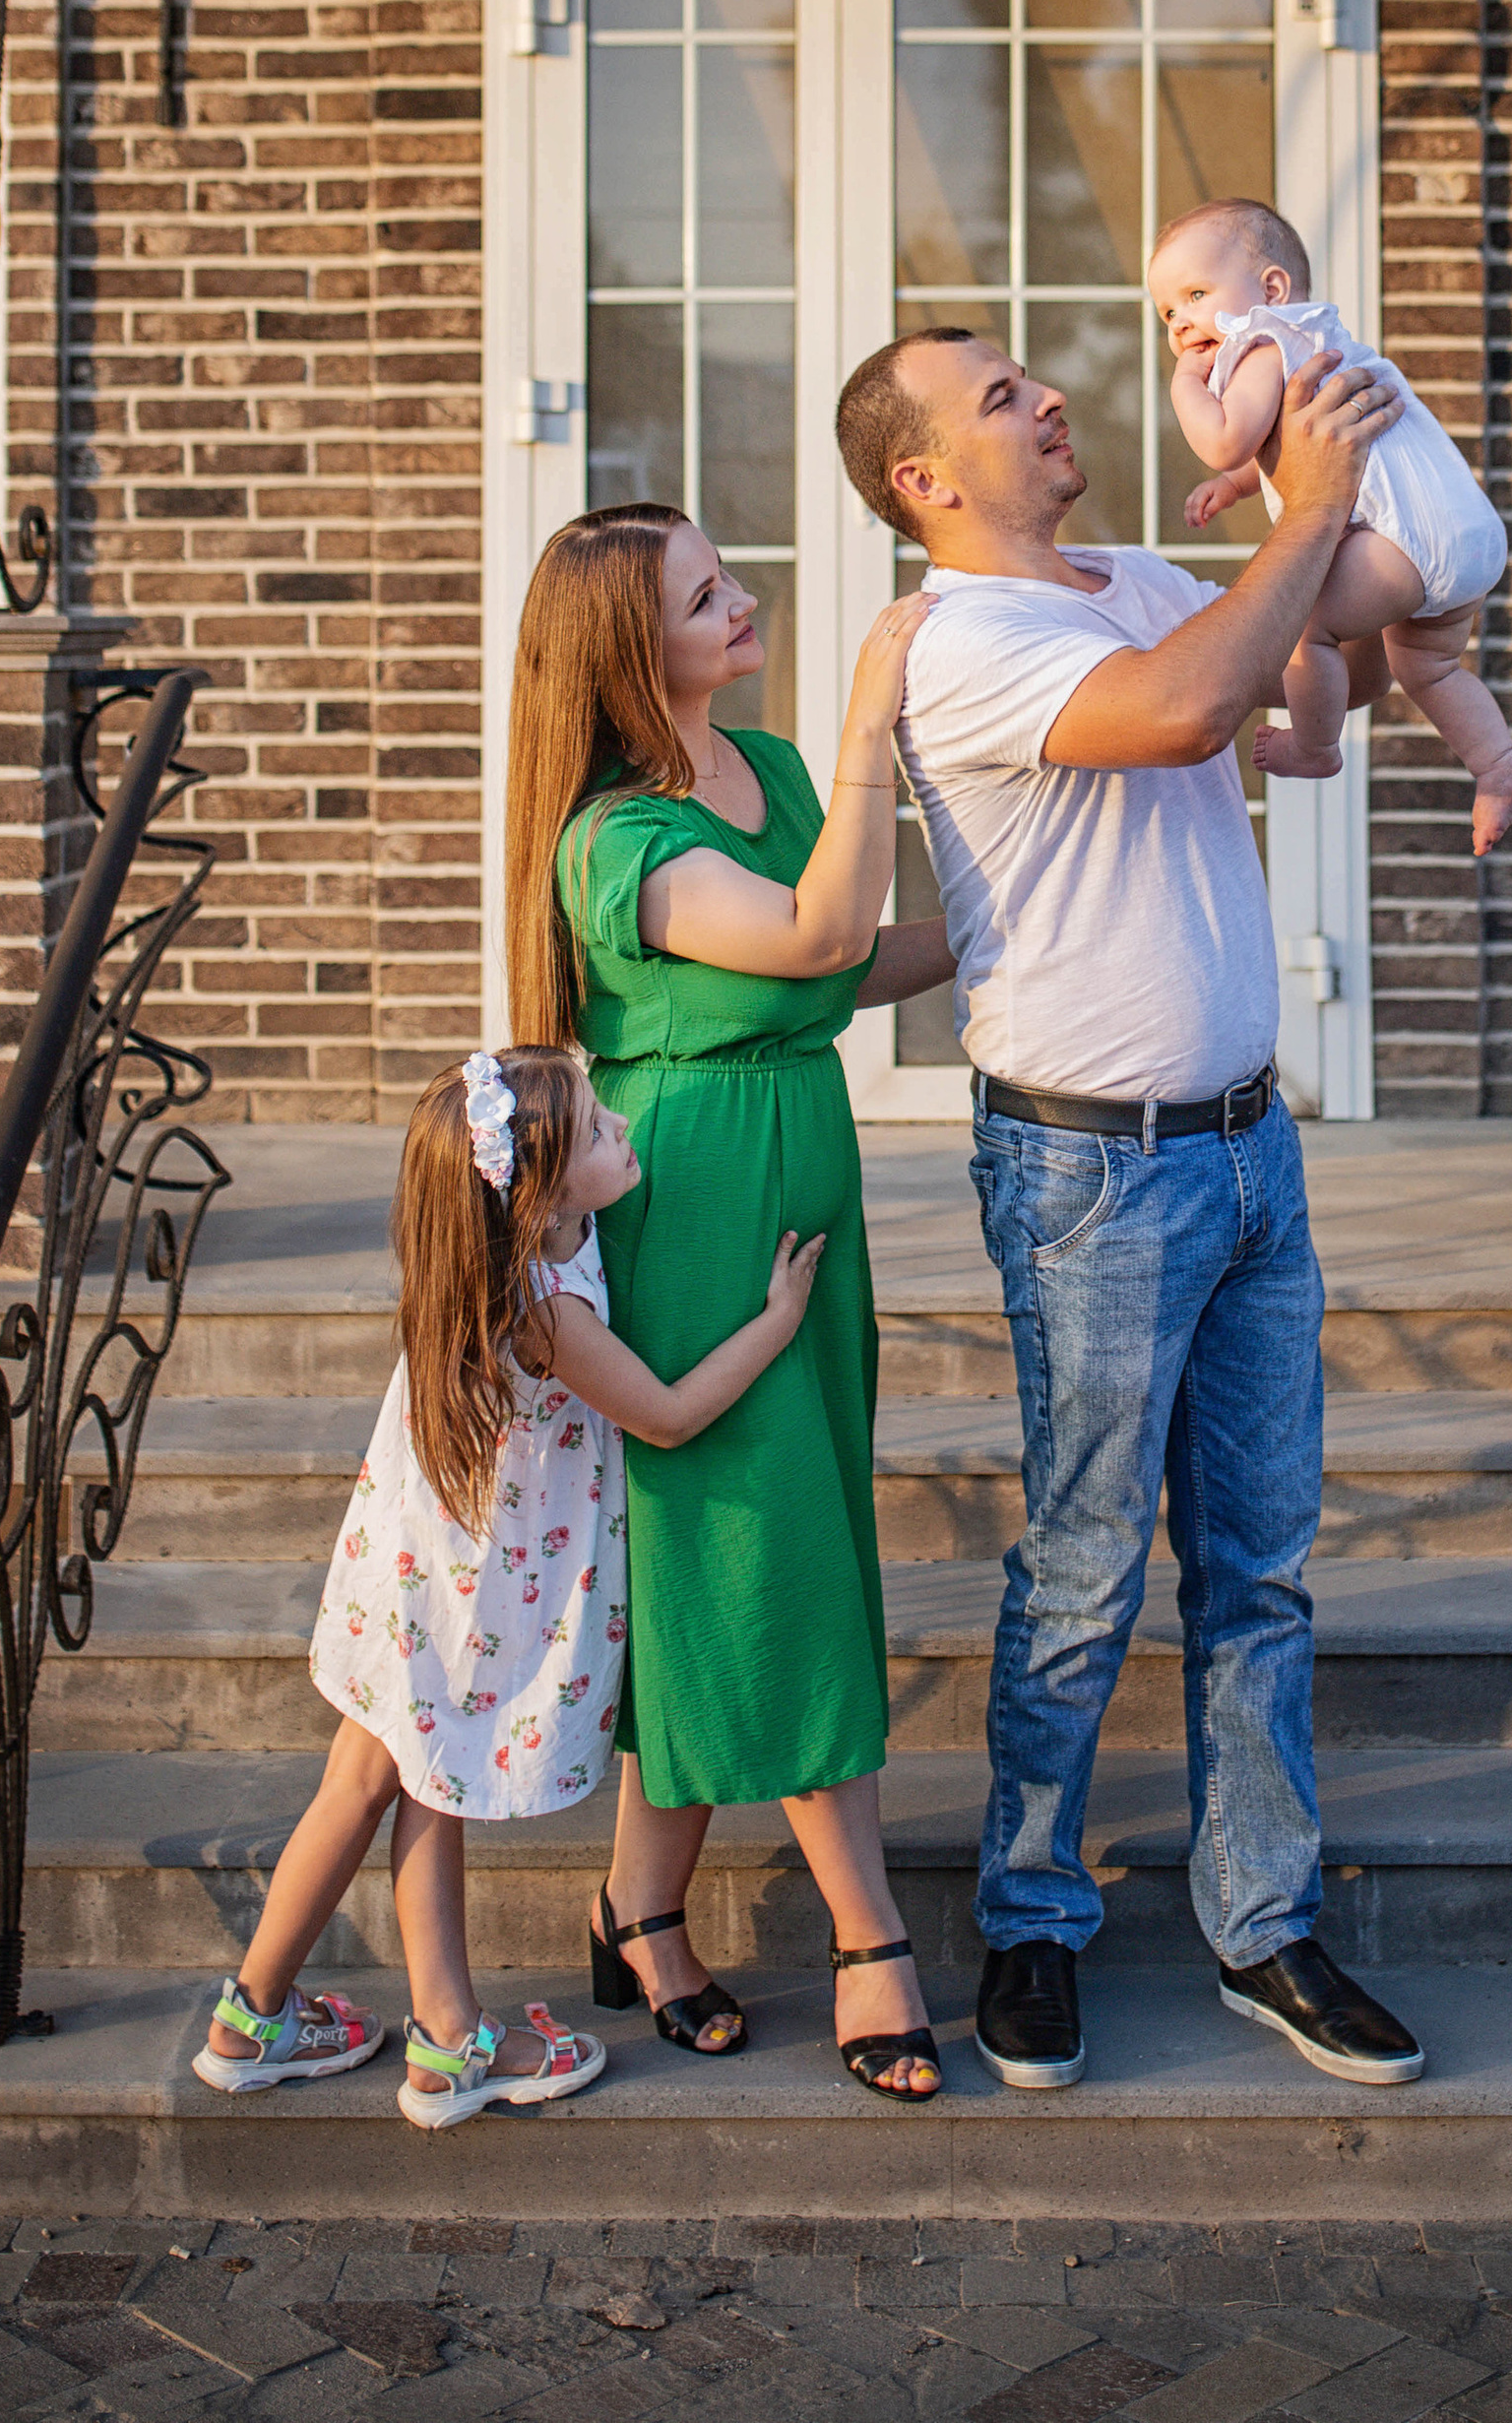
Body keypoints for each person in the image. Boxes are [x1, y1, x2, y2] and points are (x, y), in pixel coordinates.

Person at [836, 320, 1427, 2096]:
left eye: (1033, 374)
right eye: (998, 395)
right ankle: (1032, 1921)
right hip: (1090, 1170)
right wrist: (1301, 530)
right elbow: (1182, 706)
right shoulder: (956, 642)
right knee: (1086, 1572)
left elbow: (1304, 728)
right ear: (925, 479)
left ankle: (1266, 1927)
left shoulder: (1147, 573)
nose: (1046, 396)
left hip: (1256, 1150)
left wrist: (1312, 574)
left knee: (1260, 1567)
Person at [505, 503, 960, 2100]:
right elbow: (816, 924)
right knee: (771, 1549)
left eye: (729, 576)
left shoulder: (758, 775)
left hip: (802, 1180)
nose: (745, 598)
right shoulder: (613, 842)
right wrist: (871, 729)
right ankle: (868, 1933)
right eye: (710, 594)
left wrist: (1013, 922)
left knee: (752, 1540)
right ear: (635, 651)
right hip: (691, 1209)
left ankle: (636, 1908)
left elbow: (845, 969)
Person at [196, 1045, 819, 2127]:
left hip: (421, 1566)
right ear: (534, 1191)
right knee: (418, 1790)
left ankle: (252, 2020)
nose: (623, 1126)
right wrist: (776, 1321)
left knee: (365, 1784)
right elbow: (664, 1417)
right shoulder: (539, 1304)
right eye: (594, 1130)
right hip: (465, 1596)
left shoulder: (506, 1245)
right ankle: (442, 2049)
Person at [1149, 197, 1512, 855]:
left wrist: (1185, 386)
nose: (1183, 323)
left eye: (1195, 294)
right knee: (1430, 670)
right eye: (1166, 313)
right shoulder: (1320, 342)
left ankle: (1316, 745)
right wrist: (1237, 486)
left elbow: (1226, 439)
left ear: (1270, 290)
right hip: (1463, 533)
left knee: (1304, 619)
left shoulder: (1263, 344)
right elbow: (1280, 446)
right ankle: (1498, 763)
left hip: (1401, 545)